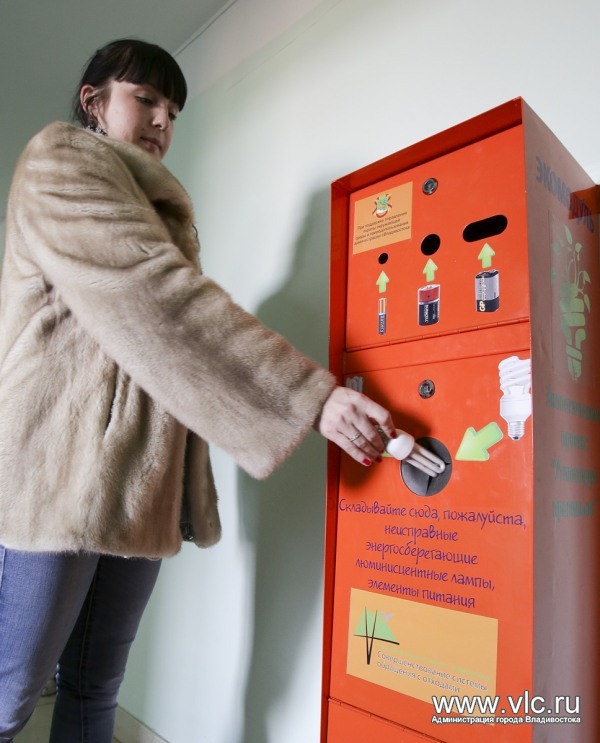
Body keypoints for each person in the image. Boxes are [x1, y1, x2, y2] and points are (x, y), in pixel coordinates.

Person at [0, 39, 397, 742]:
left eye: (174, 111)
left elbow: (168, 354)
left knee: (94, 689)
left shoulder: (155, 211)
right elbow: (157, 299)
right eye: (145, 99)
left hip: (136, 490)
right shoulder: (60, 161)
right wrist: (310, 396)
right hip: (56, 478)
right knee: (10, 691)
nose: (162, 121)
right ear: (94, 102)